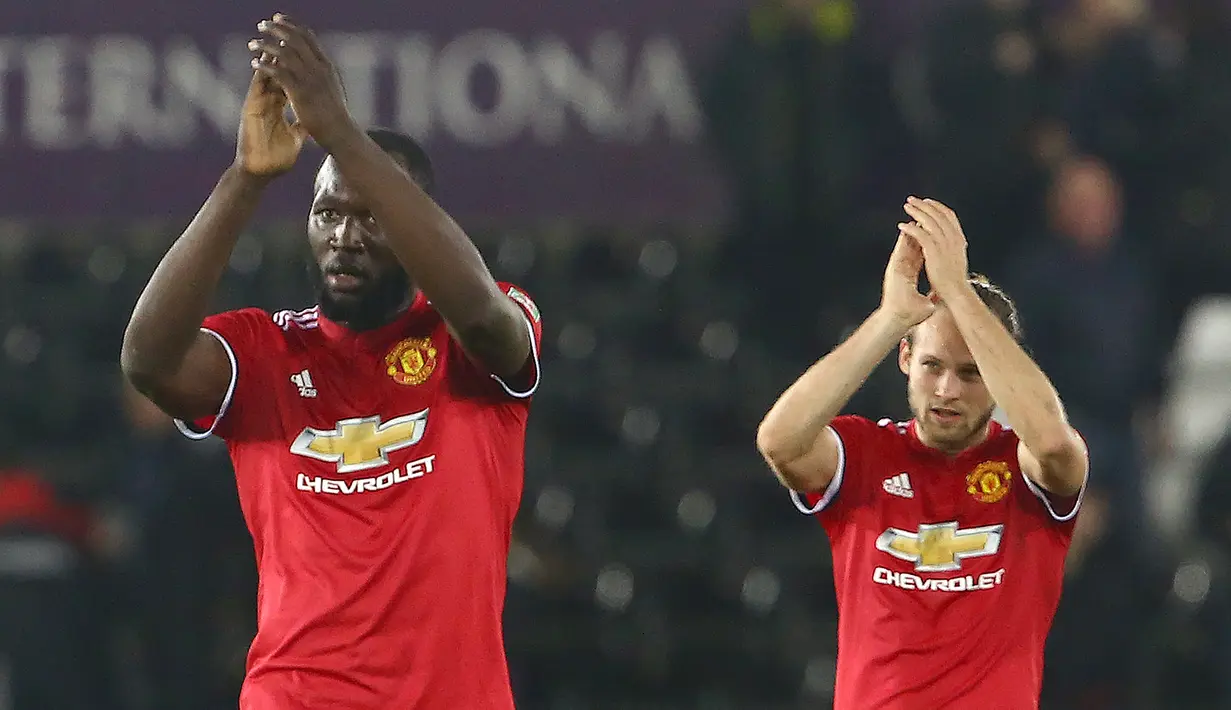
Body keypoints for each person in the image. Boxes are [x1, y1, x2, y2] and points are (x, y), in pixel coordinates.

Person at [119, 14, 541, 710]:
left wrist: (340, 132)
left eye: (369, 214)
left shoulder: (476, 330)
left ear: (412, 217)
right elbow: (148, 358)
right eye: (326, 214)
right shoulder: (265, 351)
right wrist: (246, 179)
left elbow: (482, 321)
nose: (343, 236)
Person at [756, 197, 1089, 709]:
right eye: (932, 366)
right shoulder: (865, 455)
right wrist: (891, 317)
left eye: (972, 372)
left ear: (999, 375)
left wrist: (955, 289)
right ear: (906, 359)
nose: (948, 390)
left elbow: (1050, 441)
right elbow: (779, 442)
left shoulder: (1027, 469)